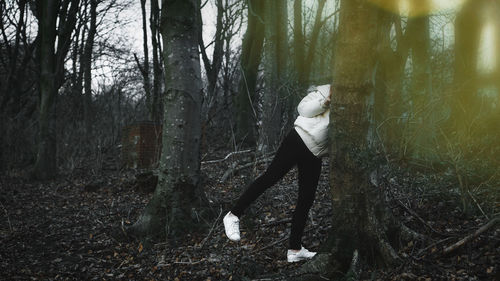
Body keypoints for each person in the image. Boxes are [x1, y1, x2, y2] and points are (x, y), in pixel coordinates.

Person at [223, 84, 331, 263]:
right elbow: (303, 109)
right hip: (298, 139)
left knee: (307, 199)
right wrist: (325, 101)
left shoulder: (356, 105)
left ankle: (295, 249)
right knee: (270, 178)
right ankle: (233, 215)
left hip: (315, 153)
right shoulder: (326, 89)